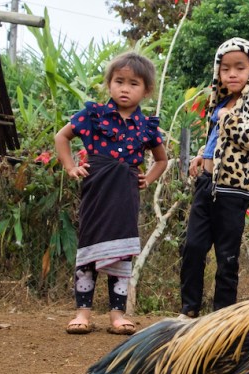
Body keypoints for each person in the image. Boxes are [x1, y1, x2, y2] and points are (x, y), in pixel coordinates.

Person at [54, 51, 167, 336]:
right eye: (119, 81)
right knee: (88, 247)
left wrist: (148, 179)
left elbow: (162, 159)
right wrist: (70, 167)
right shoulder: (93, 115)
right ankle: (82, 313)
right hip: (96, 189)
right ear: (109, 84)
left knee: (122, 251)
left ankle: (117, 315)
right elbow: (61, 137)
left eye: (133, 83)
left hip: (126, 193)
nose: (125, 88)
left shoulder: (146, 126)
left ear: (146, 90)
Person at [180, 37, 249, 317]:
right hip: (206, 184)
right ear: (218, 72)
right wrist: (202, 154)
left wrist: (227, 117)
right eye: (226, 69)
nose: (232, 74)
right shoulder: (221, 101)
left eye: (240, 67)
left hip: (234, 189)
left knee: (226, 255)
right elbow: (217, 140)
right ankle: (189, 310)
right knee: (193, 247)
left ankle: (222, 314)